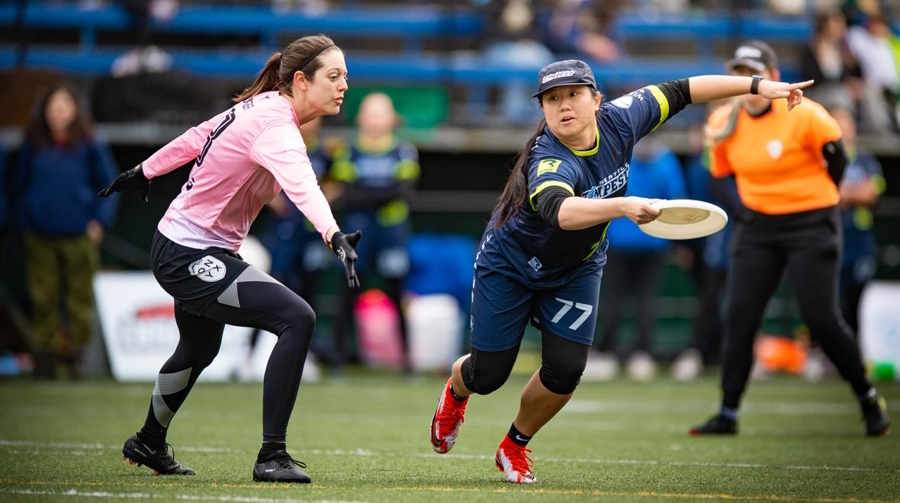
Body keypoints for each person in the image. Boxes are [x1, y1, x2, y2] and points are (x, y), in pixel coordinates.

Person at [429, 57, 814, 484]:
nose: (563, 106)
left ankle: (514, 446)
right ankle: (456, 393)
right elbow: (562, 212)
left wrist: (757, 87)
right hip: (511, 266)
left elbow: (685, 88)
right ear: (542, 110)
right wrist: (622, 207)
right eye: (552, 99)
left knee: (566, 371)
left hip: (577, 266)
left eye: (574, 94)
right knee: (489, 374)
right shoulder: (550, 158)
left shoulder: (622, 119)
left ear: (597, 99)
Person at [98, 35, 362, 484]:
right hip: (188, 253)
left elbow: (198, 136)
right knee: (298, 319)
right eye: (333, 77)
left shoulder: (263, 108)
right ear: (300, 81)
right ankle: (272, 455)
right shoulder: (277, 127)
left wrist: (144, 170)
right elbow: (303, 186)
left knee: (199, 348)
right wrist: (333, 233)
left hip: (190, 246)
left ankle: (148, 441)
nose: (343, 87)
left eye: (346, 78)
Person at [689, 41, 891, 438]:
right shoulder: (722, 122)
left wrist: (819, 201)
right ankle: (728, 412)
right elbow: (719, 175)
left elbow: (837, 159)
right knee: (741, 316)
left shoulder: (807, 115)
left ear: (774, 77)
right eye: (738, 73)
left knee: (821, 317)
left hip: (810, 224)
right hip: (758, 228)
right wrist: (748, 210)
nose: (744, 80)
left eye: (753, 71)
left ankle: (868, 398)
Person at [13, 83, 120, 380]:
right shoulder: (33, 143)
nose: (58, 113)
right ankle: (44, 358)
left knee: (79, 298)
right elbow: (19, 185)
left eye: (64, 106)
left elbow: (110, 185)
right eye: (53, 107)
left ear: (75, 111)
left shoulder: (90, 143)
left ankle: (78, 359)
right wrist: (25, 219)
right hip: (40, 234)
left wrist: (99, 221)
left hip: (78, 234)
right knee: (42, 298)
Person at [330, 92, 420, 374]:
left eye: (381, 113)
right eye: (370, 113)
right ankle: (337, 359)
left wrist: (366, 195)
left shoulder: (404, 150)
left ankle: (407, 361)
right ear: (360, 119)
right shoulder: (348, 150)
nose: (375, 120)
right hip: (357, 235)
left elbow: (403, 192)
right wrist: (382, 195)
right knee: (348, 292)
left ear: (392, 119)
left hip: (392, 233)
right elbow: (346, 193)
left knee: (397, 292)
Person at [589, 138, 686, 382]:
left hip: (652, 246)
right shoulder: (619, 158)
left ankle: (642, 354)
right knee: (613, 301)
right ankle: (606, 352)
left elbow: (675, 200)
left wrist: (676, 241)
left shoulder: (666, 162)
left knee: (645, 302)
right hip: (619, 244)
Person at [832, 106, 884, 335]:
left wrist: (844, 193)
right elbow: (828, 194)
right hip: (832, 239)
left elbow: (872, 193)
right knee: (833, 303)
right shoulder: (825, 160)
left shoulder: (866, 160)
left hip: (860, 243)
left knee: (856, 304)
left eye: (847, 125)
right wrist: (854, 193)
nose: (844, 131)